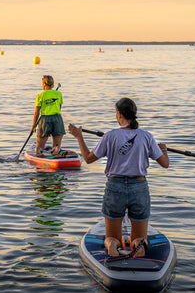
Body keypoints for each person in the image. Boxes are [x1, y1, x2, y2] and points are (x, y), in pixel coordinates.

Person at [68, 97, 169, 258]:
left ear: (119, 114)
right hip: (139, 187)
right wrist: (163, 149)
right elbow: (165, 164)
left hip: (115, 187)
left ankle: (113, 245)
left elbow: (87, 158)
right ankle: (138, 246)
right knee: (138, 238)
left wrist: (79, 136)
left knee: (112, 237)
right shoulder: (146, 136)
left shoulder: (110, 136)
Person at [32, 75, 65, 156]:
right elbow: (59, 108)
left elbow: (37, 113)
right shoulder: (58, 94)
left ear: (44, 84)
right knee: (56, 146)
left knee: (39, 147)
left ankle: (39, 154)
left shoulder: (40, 95)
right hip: (57, 119)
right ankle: (56, 151)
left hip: (45, 119)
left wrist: (33, 126)